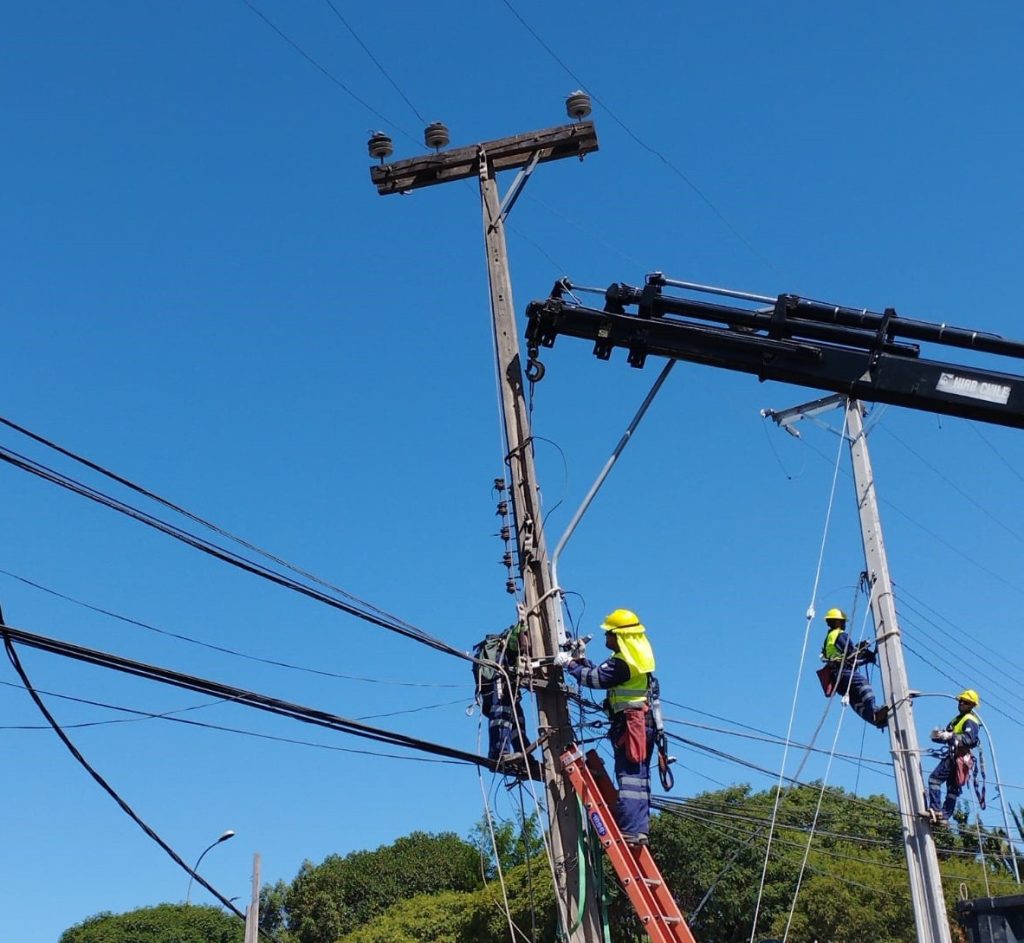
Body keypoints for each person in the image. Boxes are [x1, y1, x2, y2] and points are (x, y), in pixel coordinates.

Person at [555, 607, 657, 846]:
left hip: (632, 724)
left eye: (608, 634)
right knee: (639, 778)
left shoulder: (623, 664)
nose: (605, 639)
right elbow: (601, 672)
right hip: (640, 723)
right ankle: (637, 829)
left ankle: (632, 830)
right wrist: (580, 660)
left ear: (619, 635)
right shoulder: (632, 660)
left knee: (630, 778)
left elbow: (596, 679)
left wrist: (569, 664)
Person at [819, 608, 888, 729]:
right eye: (843, 622)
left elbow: (849, 659)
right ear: (837, 622)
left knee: (855, 699)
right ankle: (873, 712)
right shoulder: (839, 635)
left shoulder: (828, 638)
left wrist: (865, 657)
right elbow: (850, 653)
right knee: (863, 684)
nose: (845, 624)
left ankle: (876, 720)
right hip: (843, 672)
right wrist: (863, 649)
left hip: (837, 677)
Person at [927, 689, 981, 826]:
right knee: (952, 788)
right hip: (955, 756)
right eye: (960, 701)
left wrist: (951, 736)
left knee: (934, 779)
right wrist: (938, 736)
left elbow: (969, 739)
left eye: (965, 702)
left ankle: (936, 810)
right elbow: (947, 736)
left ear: (972, 705)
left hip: (957, 757)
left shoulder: (971, 720)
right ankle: (944, 816)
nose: (961, 703)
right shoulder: (956, 720)